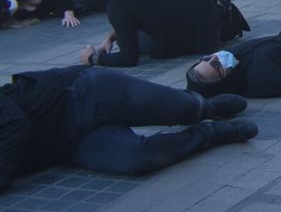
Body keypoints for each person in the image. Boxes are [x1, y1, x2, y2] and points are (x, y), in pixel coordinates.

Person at [0, 65, 257, 190]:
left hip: (79, 93)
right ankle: (209, 134)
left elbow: (15, 125)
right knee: (136, 159)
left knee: (183, 108)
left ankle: (206, 108)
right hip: (70, 143)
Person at [71, 0, 246, 69]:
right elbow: (161, 6)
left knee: (142, 43)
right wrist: (112, 36)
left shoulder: (116, 7)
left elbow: (128, 58)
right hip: (218, 12)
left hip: (204, 38)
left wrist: (94, 58)